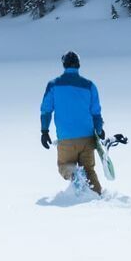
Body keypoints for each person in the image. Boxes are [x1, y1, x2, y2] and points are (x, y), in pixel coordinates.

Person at [39, 51, 105, 194]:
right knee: (89, 171)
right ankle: (98, 197)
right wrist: (99, 130)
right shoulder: (89, 85)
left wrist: (44, 131)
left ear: (64, 65)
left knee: (65, 166)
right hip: (87, 138)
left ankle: (74, 176)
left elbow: (46, 110)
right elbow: (96, 112)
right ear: (79, 65)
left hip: (66, 138)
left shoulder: (53, 85)